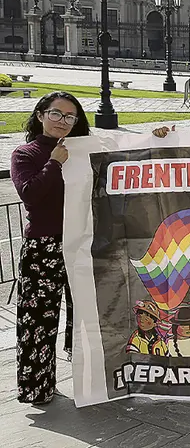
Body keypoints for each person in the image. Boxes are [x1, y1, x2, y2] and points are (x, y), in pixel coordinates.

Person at [11, 91, 90, 405]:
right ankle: (37, 387)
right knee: (38, 319)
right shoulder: (25, 154)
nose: (63, 122)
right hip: (43, 247)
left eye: (70, 117)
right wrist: (54, 163)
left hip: (81, 243)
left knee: (85, 316)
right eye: (57, 114)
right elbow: (31, 195)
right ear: (41, 114)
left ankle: (91, 383)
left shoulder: (83, 151)